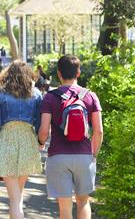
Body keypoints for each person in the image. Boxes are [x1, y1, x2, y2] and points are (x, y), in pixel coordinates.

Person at [39, 55, 103, 219]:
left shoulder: (50, 97)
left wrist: (40, 143)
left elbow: (44, 131)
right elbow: (99, 131)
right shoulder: (90, 96)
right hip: (84, 157)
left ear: (59, 74)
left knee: (65, 209)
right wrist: (93, 154)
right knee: (83, 203)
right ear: (79, 72)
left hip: (58, 156)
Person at [0, 61, 43, 219]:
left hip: (7, 141)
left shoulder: (0, 93)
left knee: (15, 198)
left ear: (8, 74)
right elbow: (39, 124)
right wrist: (40, 142)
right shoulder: (36, 94)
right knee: (18, 196)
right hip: (28, 141)